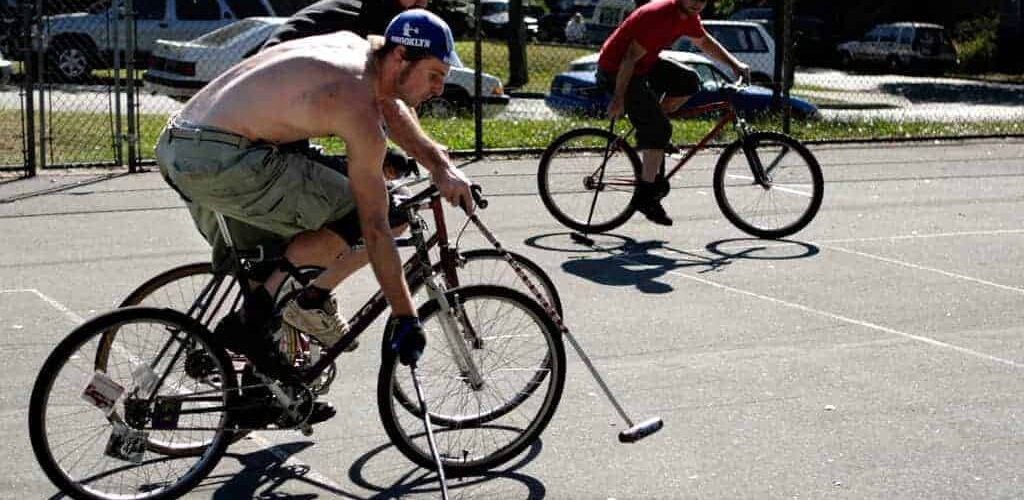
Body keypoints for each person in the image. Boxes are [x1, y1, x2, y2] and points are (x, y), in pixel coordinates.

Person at [155, 10, 473, 423]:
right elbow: (376, 229)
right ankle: (269, 315)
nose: (439, 88)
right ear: (399, 58)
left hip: (179, 145)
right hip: (223, 158)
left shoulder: (353, 48)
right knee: (378, 213)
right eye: (434, 75)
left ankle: (257, 392)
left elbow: (390, 105)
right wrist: (405, 317)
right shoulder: (357, 108)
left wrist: (439, 164)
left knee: (276, 254)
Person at [597, 0, 750, 225]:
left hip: (643, 65)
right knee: (659, 128)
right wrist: (618, 98)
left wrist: (734, 64)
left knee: (687, 80)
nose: (697, 4)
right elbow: (628, 58)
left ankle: (652, 134)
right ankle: (645, 197)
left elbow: (704, 41)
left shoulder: (688, 16)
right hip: (617, 69)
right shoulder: (660, 16)